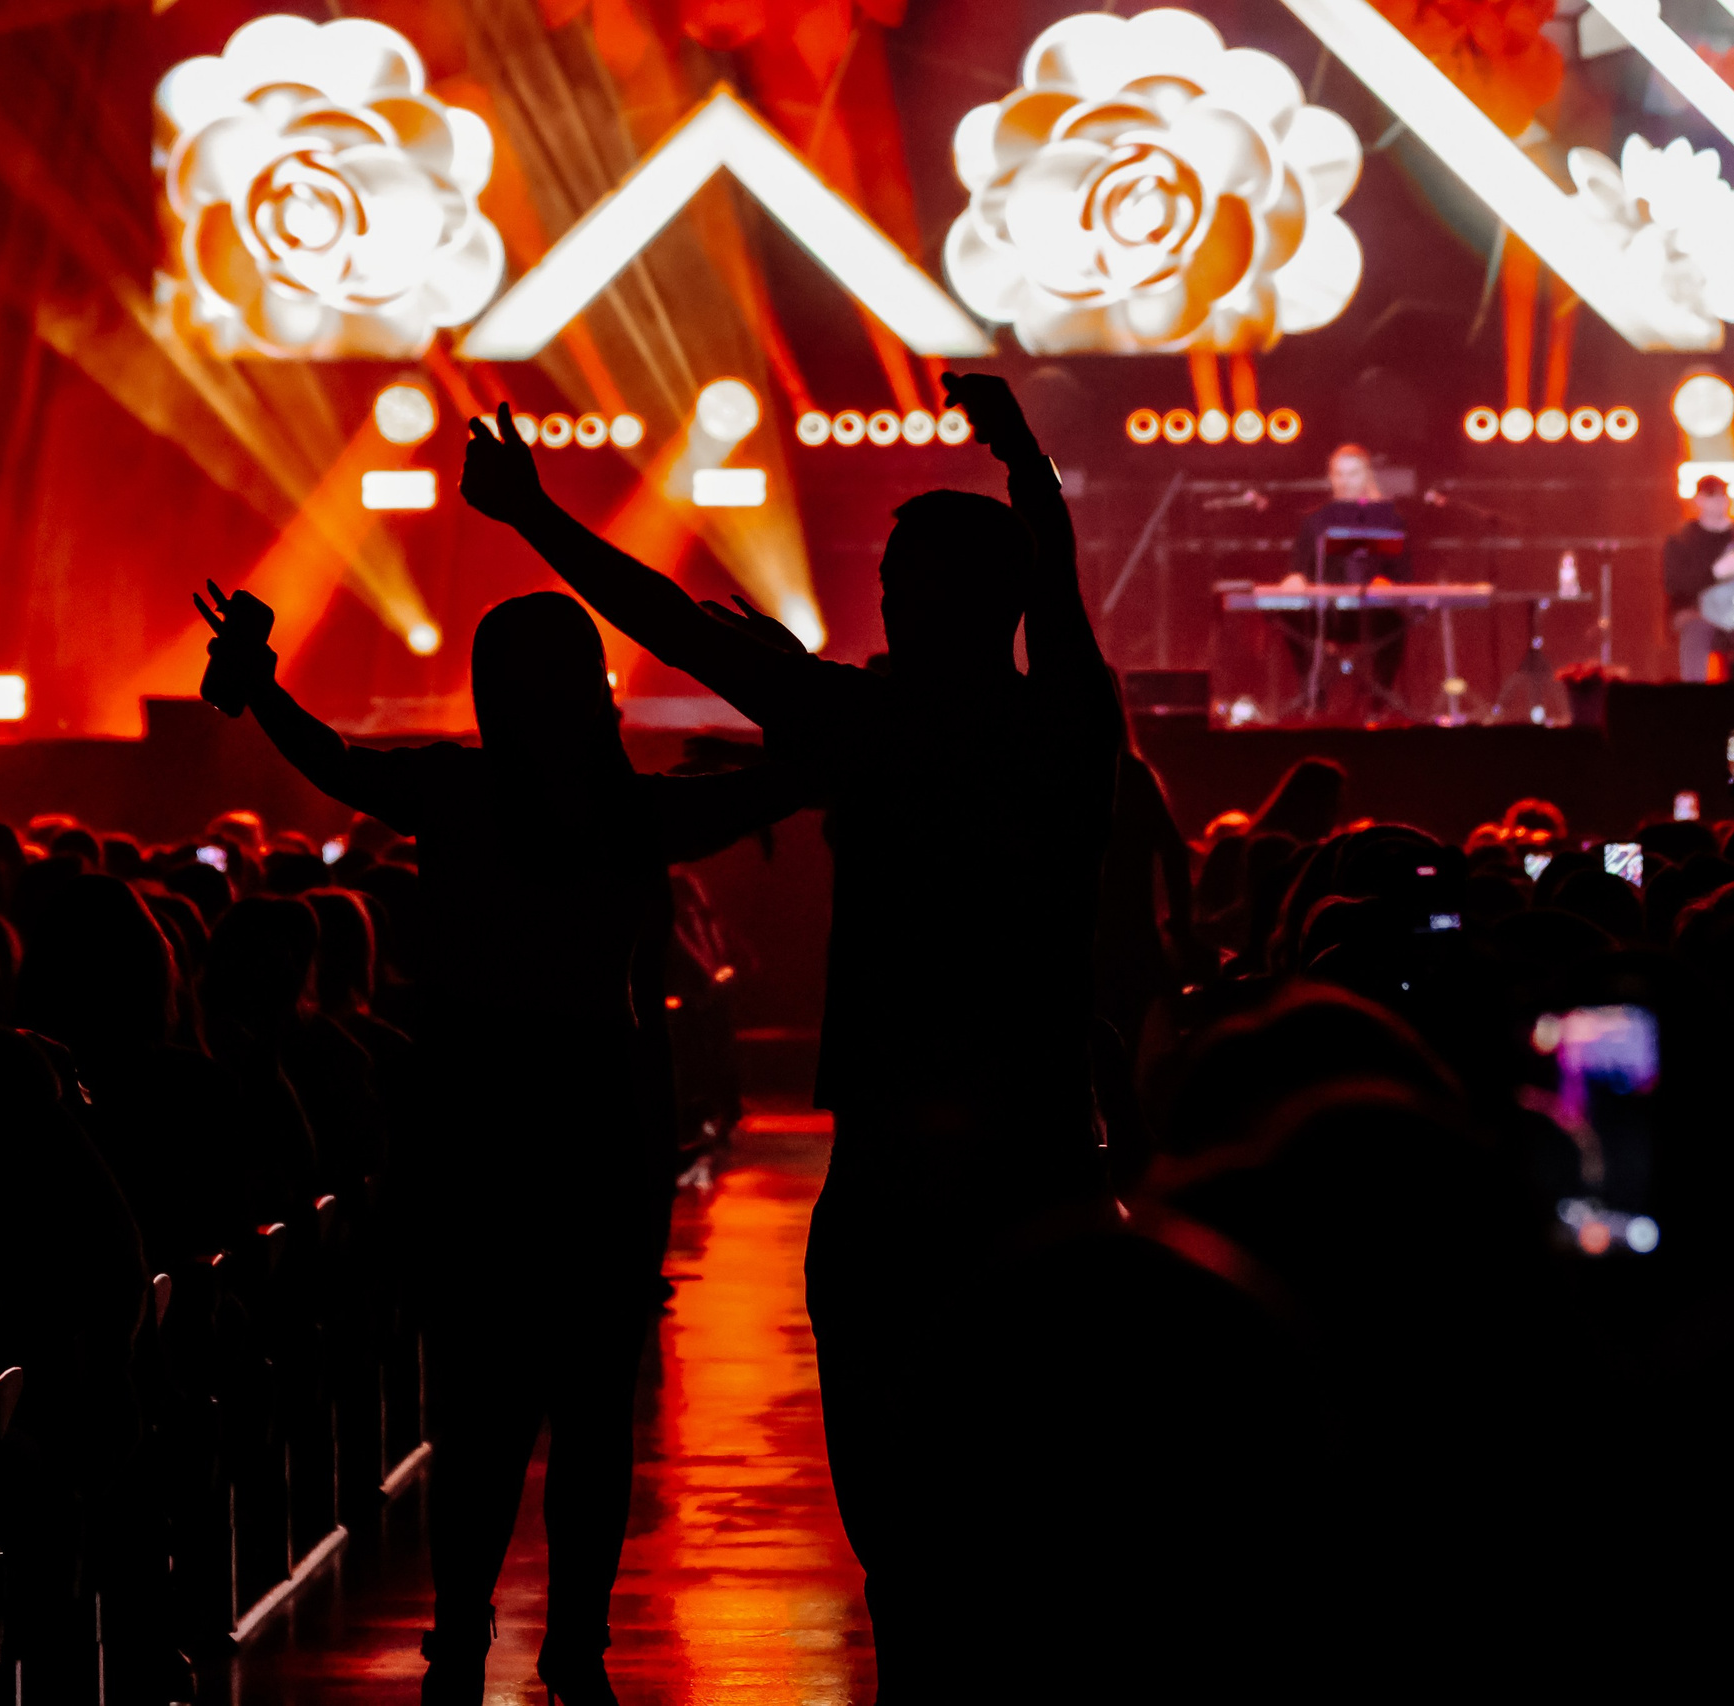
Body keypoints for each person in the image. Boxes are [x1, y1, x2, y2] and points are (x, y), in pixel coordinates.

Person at [458, 371, 1123, 1697]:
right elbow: (1055, 591)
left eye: (896, 580)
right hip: (1046, 1149)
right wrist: (1025, 463)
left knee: (898, 1512)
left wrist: (535, 518)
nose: (883, 600)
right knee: (1033, 1501)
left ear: (925, 599)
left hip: (891, 1155)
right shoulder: (1066, 724)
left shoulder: (874, 723)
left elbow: (667, 622)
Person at [193, 581, 801, 1706]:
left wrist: (261, 683)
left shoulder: (453, 792)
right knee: (592, 1410)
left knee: (477, 1405)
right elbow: (791, 779)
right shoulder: (637, 813)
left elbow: (333, 760)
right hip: (595, 1115)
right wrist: (783, 681)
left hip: (474, 1110)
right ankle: (576, 1642)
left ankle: (462, 1633)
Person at [1281, 443, 1411, 715]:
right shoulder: (1314, 522)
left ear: (1366, 475)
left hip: (1374, 615)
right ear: (1330, 477)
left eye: (1352, 474)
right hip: (1326, 615)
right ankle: (1313, 694)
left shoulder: (1389, 521)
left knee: (1397, 621)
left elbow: (1402, 575)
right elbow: (1297, 571)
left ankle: (1378, 702)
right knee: (1288, 616)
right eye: (1339, 474)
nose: (1345, 481)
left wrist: (1386, 584)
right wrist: (1295, 580)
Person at [1663, 473, 1734, 683]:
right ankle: (1692, 695)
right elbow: (1674, 585)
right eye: (1712, 496)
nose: (1719, 501)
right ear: (1699, 500)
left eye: (1723, 495)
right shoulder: (1680, 539)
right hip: (1697, 613)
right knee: (1695, 630)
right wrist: (1715, 573)